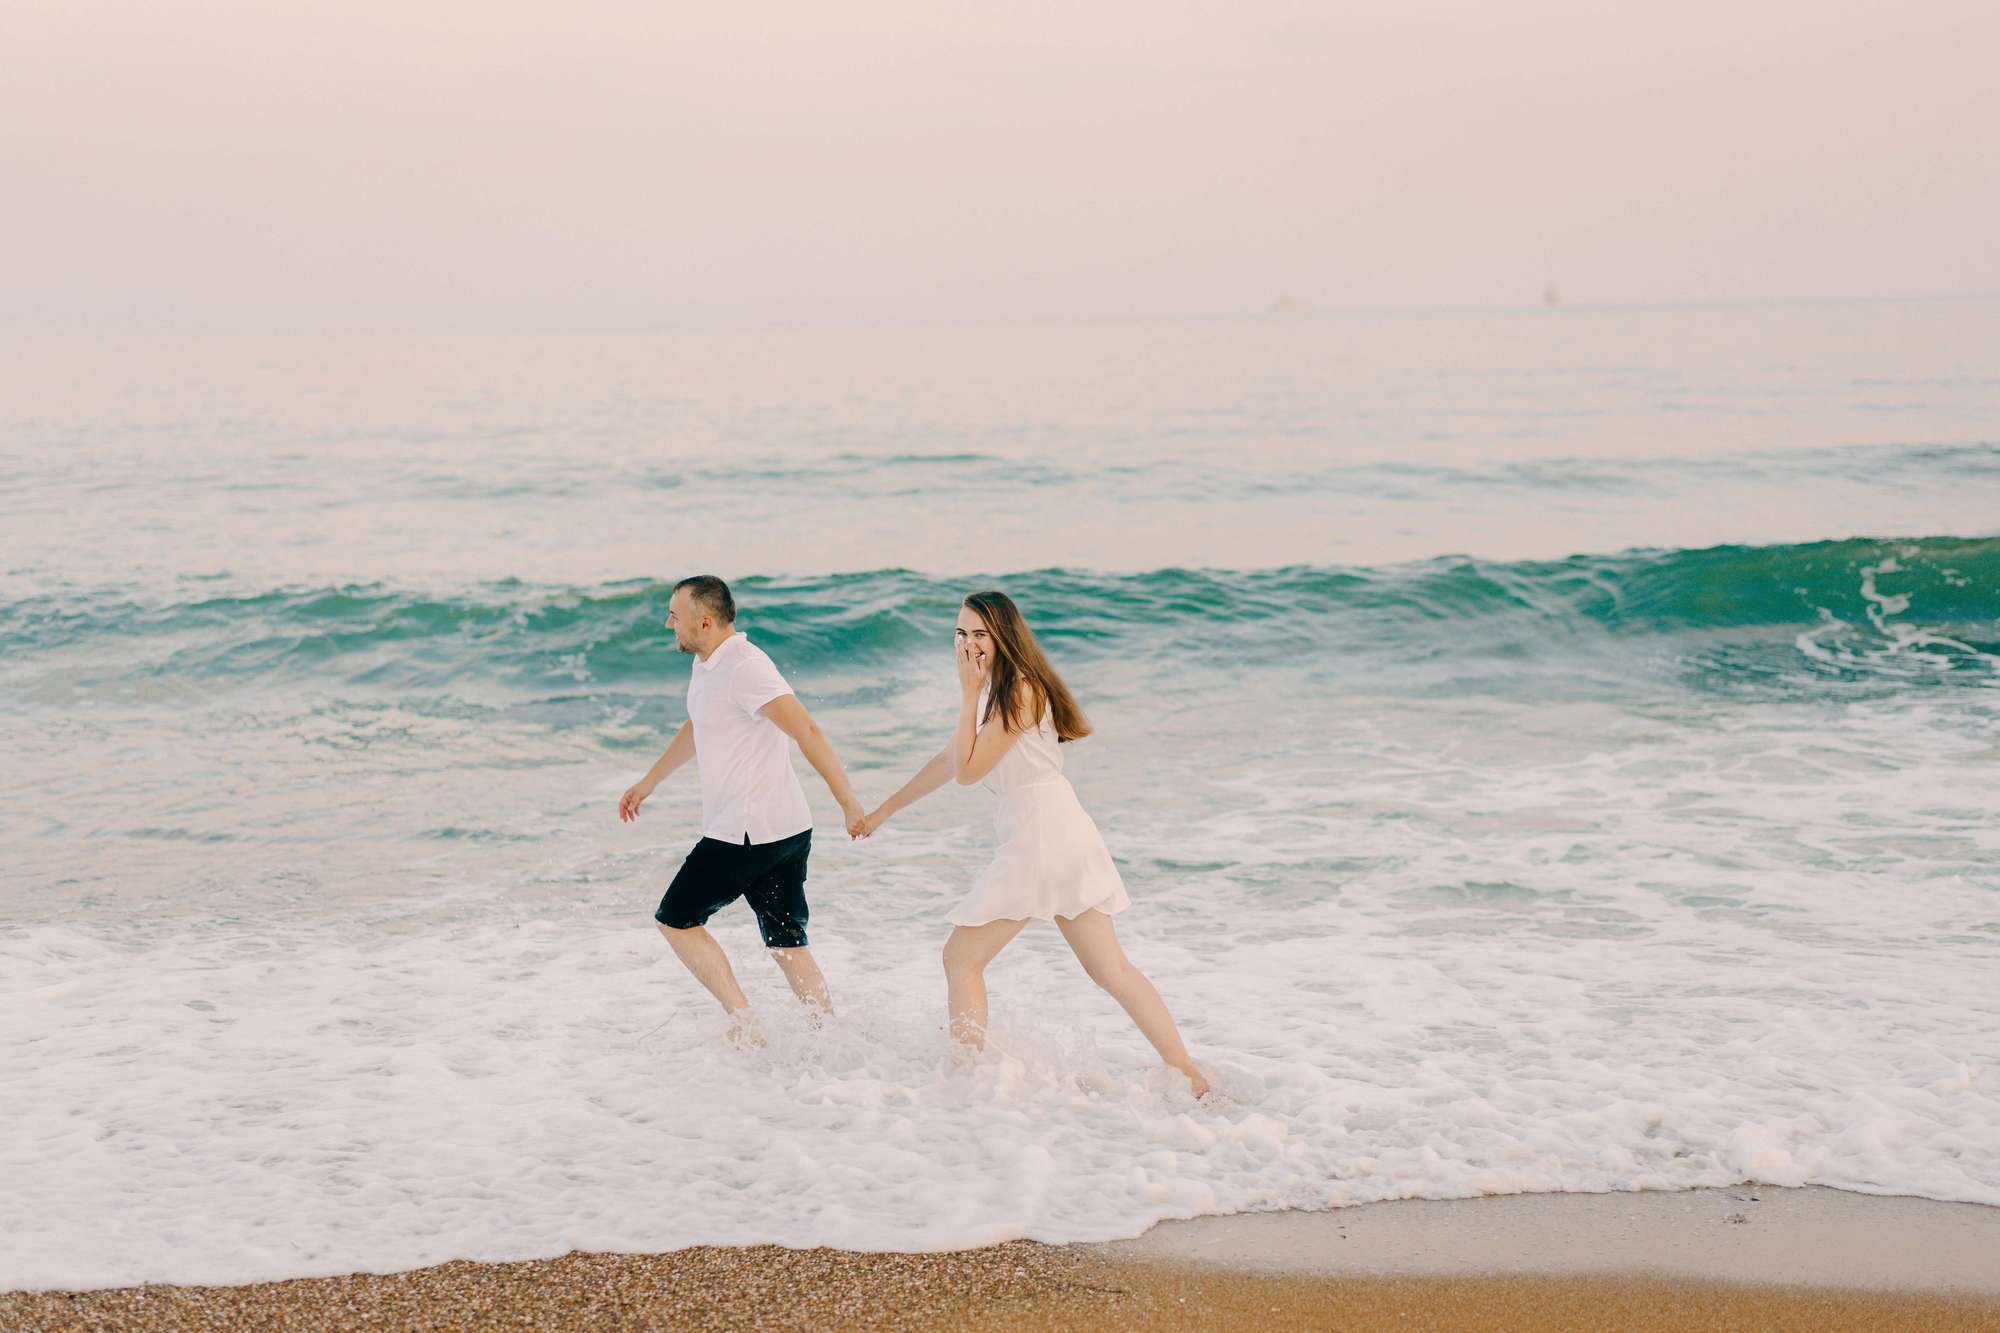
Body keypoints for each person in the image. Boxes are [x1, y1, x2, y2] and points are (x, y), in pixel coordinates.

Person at [856, 590, 1208, 1096]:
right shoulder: (999, 689)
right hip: (1053, 830)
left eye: (980, 634)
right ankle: (1189, 1075)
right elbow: (949, 760)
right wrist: (883, 811)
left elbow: (970, 773)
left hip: (1042, 834)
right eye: (960, 633)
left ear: (1004, 636)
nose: (968, 644)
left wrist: (966, 692)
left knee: (962, 957)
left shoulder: (1018, 690)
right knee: (1109, 970)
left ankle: (966, 1078)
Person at [619, 574, 868, 1047]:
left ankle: (746, 1024)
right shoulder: (709, 663)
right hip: (783, 826)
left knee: (676, 918)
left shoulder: (746, 668)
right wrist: (648, 782)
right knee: (785, 939)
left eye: (675, 616)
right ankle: (830, 1036)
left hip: (747, 832)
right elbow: (700, 724)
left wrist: (847, 800)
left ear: (706, 622)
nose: (668, 623)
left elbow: (807, 730)